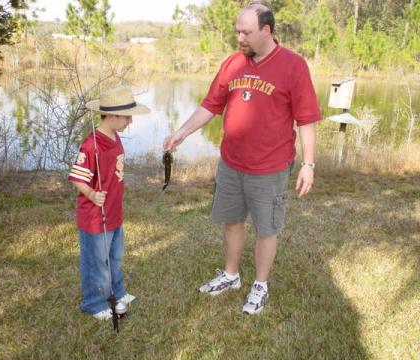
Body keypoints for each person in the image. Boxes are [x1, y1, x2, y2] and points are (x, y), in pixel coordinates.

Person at [163, 2, 322, 315]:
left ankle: (260, 285)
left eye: (246, 32)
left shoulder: (293, 66)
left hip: (270, 168)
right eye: (237, 31)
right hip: (232, 163)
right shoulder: (233, 63)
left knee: (266, 229)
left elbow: (306, 119)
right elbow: (210, 105)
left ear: (267, 30)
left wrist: (309, 163)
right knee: (232, 222)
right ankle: (231, 275)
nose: (240, 37)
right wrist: (181, 132)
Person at [68, 86, 150, 320]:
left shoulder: (115, 137)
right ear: (112, 116)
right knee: (97, 262)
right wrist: (92, 194)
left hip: (114, 213)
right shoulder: (91, 144)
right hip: (95, 218)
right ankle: (94, 303)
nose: (130, 121)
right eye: (127, 116)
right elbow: (78, 177)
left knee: (114, 257)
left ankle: (117, 292)